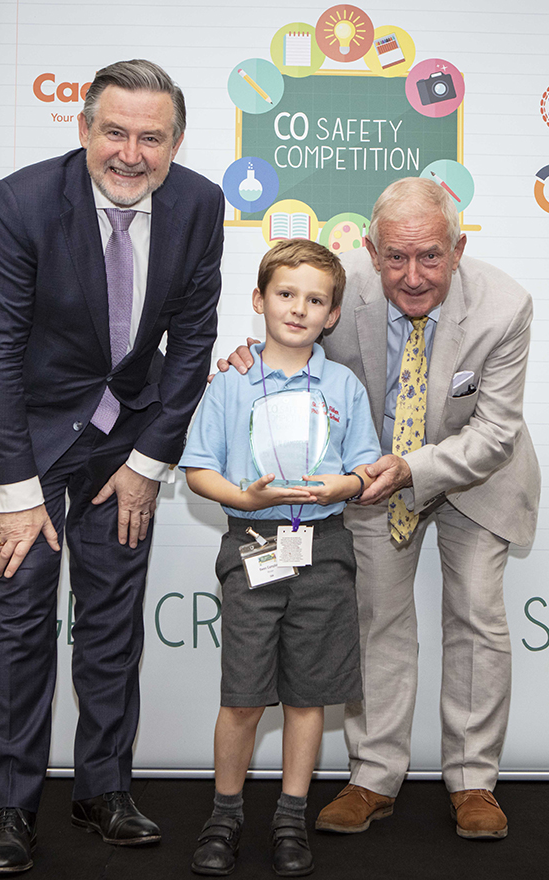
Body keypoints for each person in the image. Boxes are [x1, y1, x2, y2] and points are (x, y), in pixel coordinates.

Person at [0, 59, 225, 874]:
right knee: (22, 619)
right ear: (84, 129)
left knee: (112, 619)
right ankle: (9, 807)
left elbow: (192, 341)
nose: (130, 153)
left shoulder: (200, 203)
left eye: (152, 137)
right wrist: (13, 492)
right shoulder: (22, 201)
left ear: (175, 142)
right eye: (114, 132)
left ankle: (103, 788)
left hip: (125, 445)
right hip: (27, 438)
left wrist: (152, 460)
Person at [222, 177, 540, 841]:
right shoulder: (342, 294)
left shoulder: (505, 306)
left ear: (457, 249)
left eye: (430, 256)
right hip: (371, 474)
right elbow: (295, 349)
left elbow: (494, 432)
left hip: (476, 472)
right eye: (395, 257)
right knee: (375, 617)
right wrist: (253, 361)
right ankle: (372, 775)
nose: (413, 275)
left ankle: (473, 780)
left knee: (477, 613)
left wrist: (413, 469)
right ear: (371, 250)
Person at [181, 240, 382, 876]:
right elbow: (197, 469)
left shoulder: (343, 385)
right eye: (285, 294)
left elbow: (363, 468)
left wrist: (343, 488)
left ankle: (291, 817)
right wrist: (243, 495)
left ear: (332, 314)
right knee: (242, 694)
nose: (298, 308)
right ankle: (225, 813)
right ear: (259, 300)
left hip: (323, 548)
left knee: (307, 693)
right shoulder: (233, 380)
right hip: (253, 546)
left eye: (315, 300)